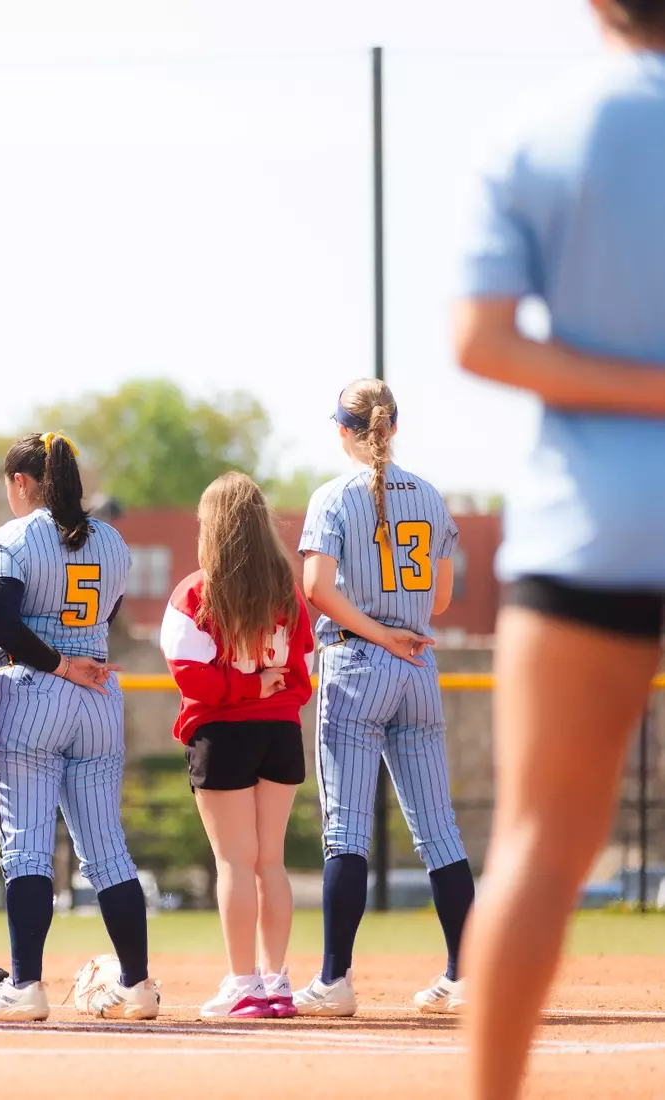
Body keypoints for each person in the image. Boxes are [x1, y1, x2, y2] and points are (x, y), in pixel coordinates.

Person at [452, 3, 665, 1095]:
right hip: (594, 525)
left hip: (590, 524)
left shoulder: (539, 127)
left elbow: (478, 337)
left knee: (535, 845)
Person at [293, 381, 473, 1018]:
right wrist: (401, 628)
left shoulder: (333, 496)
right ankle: (463, 975)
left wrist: (376, 632)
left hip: (357, 661)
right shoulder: (427, 494)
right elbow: (443, 600)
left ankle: (335, 979)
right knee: (439, 831)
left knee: (345, 828)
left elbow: (316, 588)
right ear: (392, 427)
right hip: (418, 664)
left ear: (344, 429)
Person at [0, 432, 159, 1022]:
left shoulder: (15, 537)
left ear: (23, 483)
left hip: (34, 690)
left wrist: (54, 661)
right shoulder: (112, 540)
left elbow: (1, 620)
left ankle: (25, 985)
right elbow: (111, 609)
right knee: (106, 850)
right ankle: (137, 985)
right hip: (98, 696)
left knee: (28, 849)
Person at [161, 472, 313, 1019]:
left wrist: (243, 687)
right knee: (268, 863)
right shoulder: (287, 592)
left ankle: (245, 983)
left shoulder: (196, 590)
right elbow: (303, 671)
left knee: (234, 863)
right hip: (279, 732)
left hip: (223, 732)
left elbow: (189, 675)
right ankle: (276, 983)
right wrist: (263, 685)